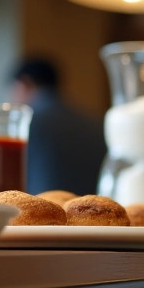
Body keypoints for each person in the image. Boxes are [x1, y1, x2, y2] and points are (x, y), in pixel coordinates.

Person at [9, 57, 107, 196]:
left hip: (42, 214)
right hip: (91, 212)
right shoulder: (96, 124)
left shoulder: (27, 123)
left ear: (24, 84)